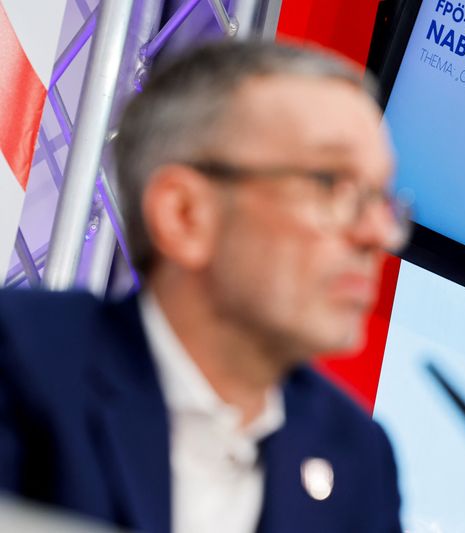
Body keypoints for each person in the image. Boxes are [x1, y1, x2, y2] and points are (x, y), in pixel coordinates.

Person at [0, 40, 407, 533]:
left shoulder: (359, 457)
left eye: (381, 200)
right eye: (329, 183)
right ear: (185, 215)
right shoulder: (21, 360)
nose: (377, 235)